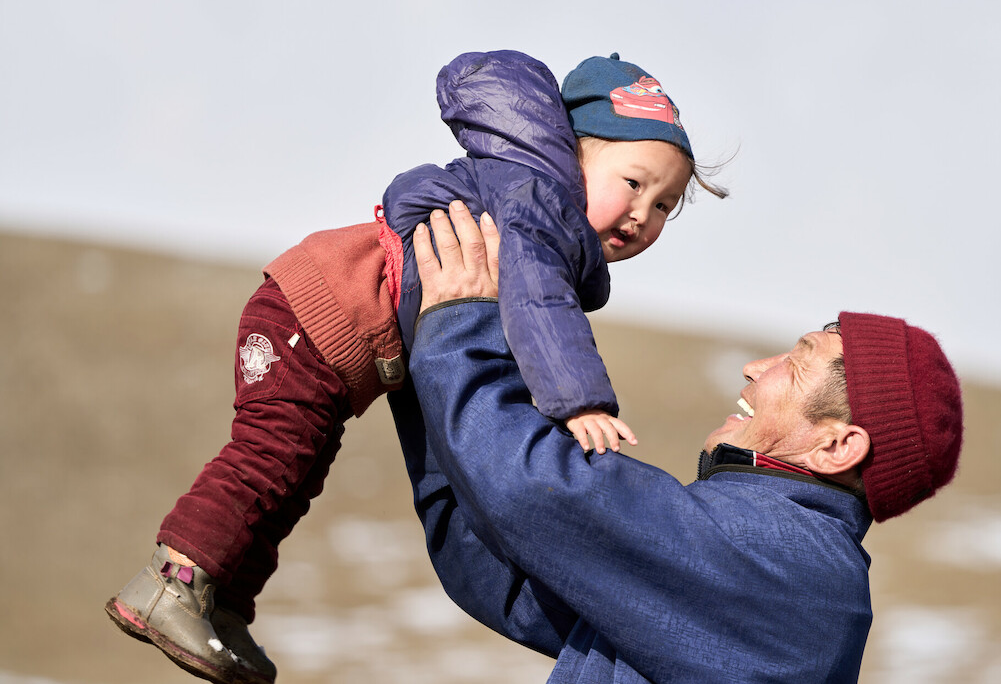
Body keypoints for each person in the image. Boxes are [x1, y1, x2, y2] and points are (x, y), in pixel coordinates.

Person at [104, 50, 726, 684]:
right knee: (269, 457)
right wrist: (580, 401)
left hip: (324, 332)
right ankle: (171, 580)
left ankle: (223, 602)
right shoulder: (539, 202)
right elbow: (539, 304)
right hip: (311, 311)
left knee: (298, 472)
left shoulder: (540, 209)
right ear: (576, 156)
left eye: (665, 206)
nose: (642, 215)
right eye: (633, 183)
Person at [395, 203, 964, 682]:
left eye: (795, 365)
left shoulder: (788, 568)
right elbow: (507, 581)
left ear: (838, 448)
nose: (755, 368)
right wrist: (417, 350)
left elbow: (533, 492)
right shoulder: (786, 571)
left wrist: (459, 321)